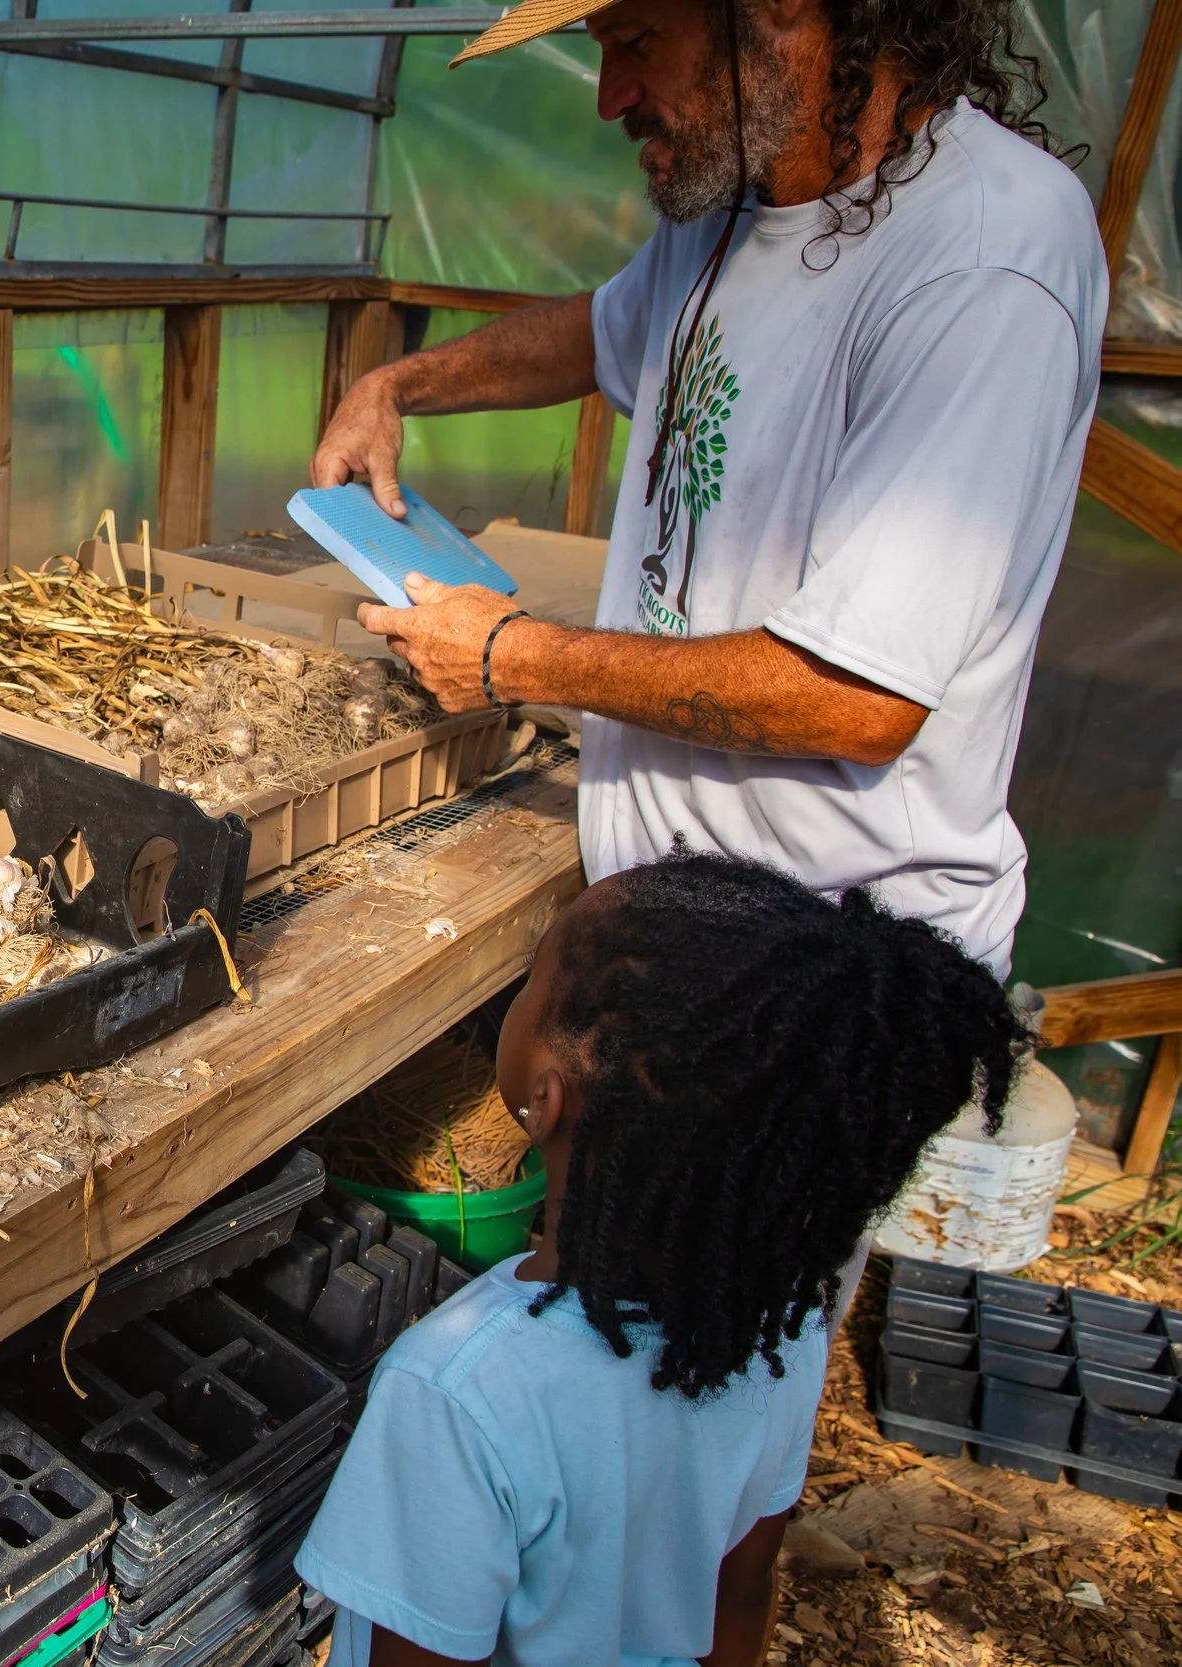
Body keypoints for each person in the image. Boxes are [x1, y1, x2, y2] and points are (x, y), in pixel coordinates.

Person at [311, 0, 1105, 976]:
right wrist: (395, 386)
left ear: (778, 11)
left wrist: (511, 656)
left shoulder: (981, 258)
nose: (609, 100)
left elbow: (853, 695)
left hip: (824, 971)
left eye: (636, 43)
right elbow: (601, 330)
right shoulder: (736, 201)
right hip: (673, 922)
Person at [294, 851, 1026, 1666]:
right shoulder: (785, 1335)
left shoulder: (455, 1389)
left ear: (545, 1094)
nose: (521, 996)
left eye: (532, 978)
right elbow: (741, 1596)